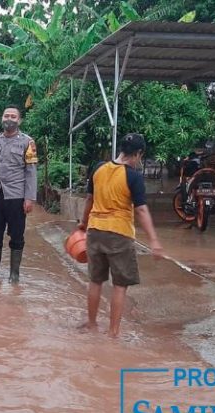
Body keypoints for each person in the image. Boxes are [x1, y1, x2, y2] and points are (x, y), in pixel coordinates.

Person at [77, 133, 164, 338]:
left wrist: (83, 223)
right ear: (138, 154)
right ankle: (113, 333)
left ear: (122, 150)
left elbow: (89, 200)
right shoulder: (133, 176)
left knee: (95, 281)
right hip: (119, 234)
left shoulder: (98, 168)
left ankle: (91, 324)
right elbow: (141, 210)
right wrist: (154, 240)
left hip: (95, 231)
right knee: (120, 285)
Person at [0, 105, 38, 284]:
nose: (9, 119)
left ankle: (14, 274)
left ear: (19, 121)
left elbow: (31, 172)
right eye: (6, 116)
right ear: (1, 119)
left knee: (17, 235)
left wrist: (29, 198)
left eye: (13, 116)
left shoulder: (28, 142)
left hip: (17, 197)